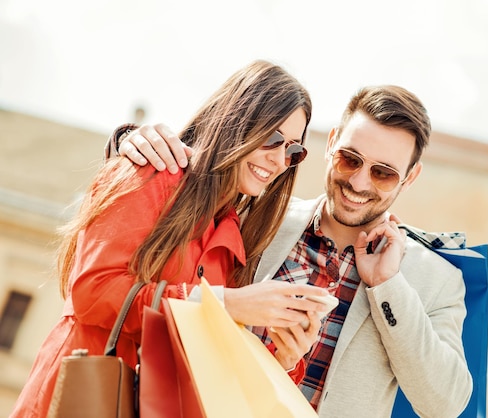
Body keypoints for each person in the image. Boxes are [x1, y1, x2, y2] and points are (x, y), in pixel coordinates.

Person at [110, 85, 473, 417]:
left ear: (409, 178)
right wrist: (129, 142)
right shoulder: (256, 216)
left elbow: (444, 404)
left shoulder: (436, 279)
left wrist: (388, 285)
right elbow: (181, 200)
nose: (359, 182)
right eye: (350, 158)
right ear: (331, 143)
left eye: (383, 173)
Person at [11, 60, 332, 418]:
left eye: (292, 151)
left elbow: (210, 363)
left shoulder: (234, 239)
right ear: (236, 121)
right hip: (80, 401)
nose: (277, 160)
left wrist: (287, 359)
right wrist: (222, 304)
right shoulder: (153, 171)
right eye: (272, 139)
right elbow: (92, 291)